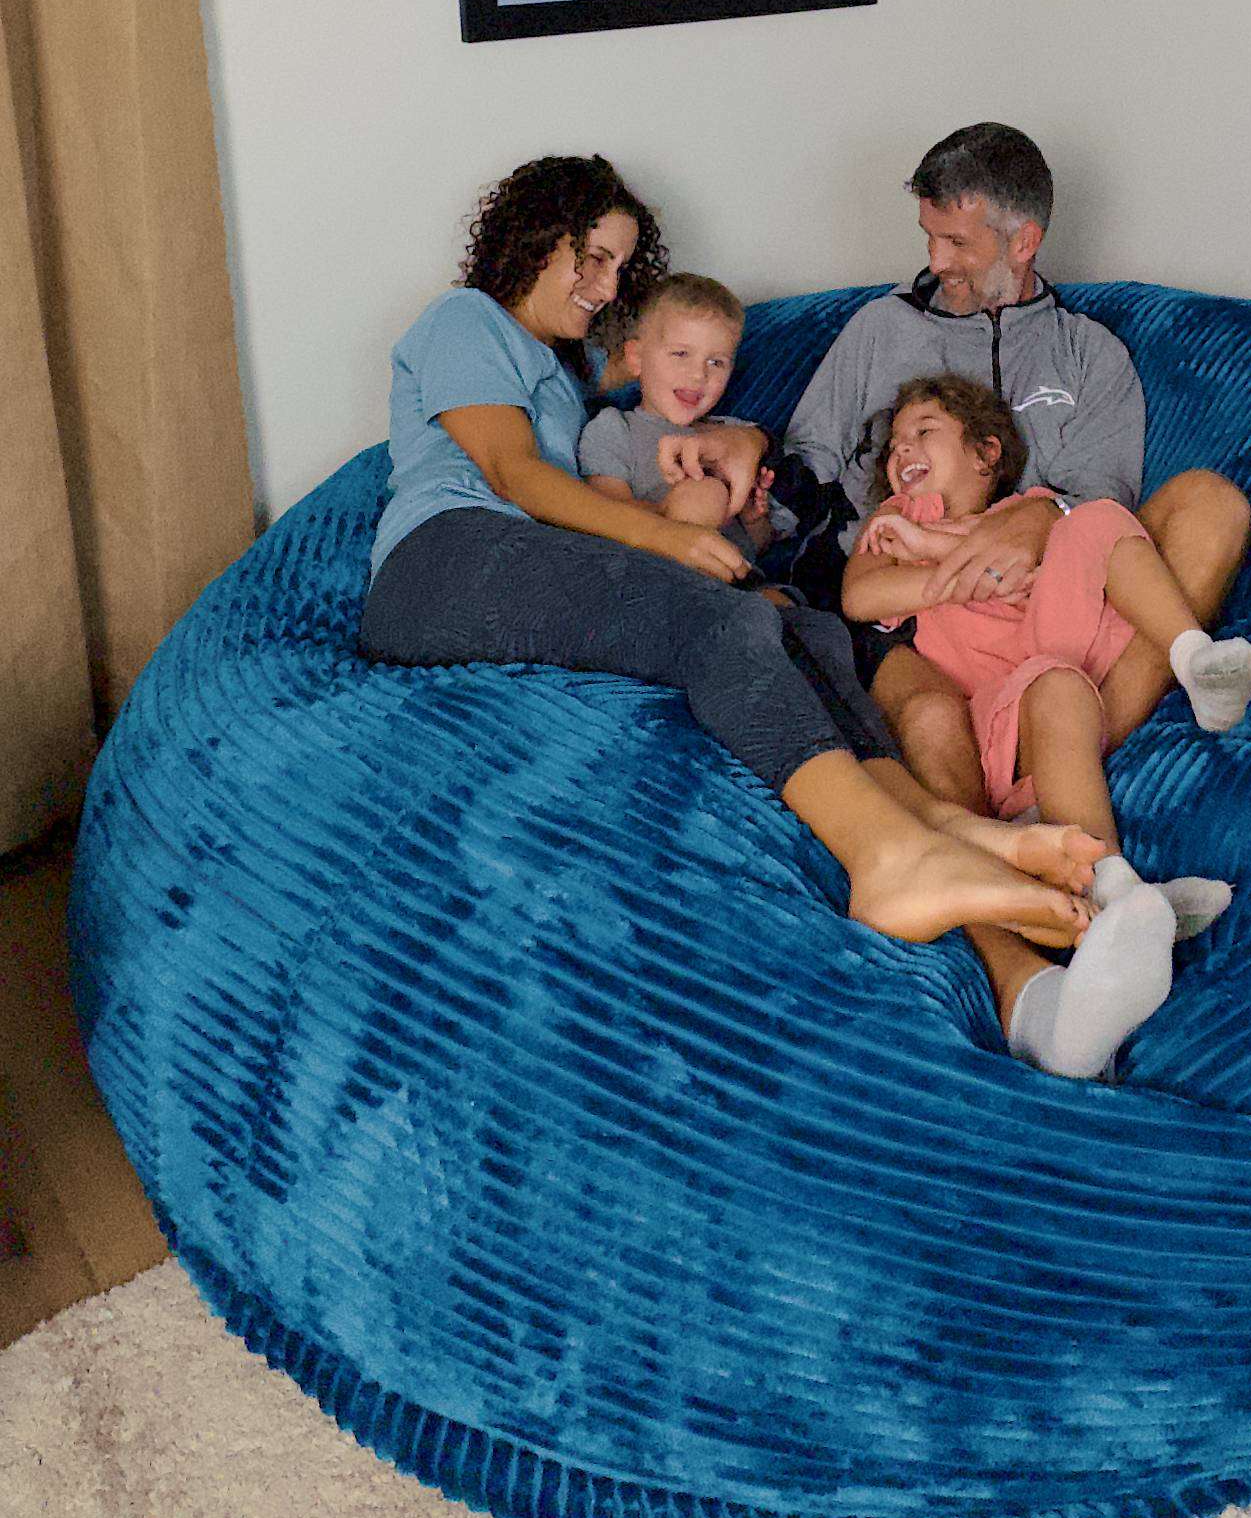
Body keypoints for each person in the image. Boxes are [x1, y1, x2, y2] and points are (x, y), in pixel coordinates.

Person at [356, 154, 1100, 953]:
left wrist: (741, 435)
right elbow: (513, 472)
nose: (607, 288)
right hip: (441, 562)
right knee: (715, 621)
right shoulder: (466, 319)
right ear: (538, 237)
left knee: (798, 629)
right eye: (593, 257)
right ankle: (885, 856)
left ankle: (945, 827)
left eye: (619, 266)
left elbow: (663, 370)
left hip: (516, 561)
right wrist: (670, 538)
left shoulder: (563, 371)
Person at [660, 123, 1251, 1055]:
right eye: (928, 236)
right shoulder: (878, 330)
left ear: (1025, 243)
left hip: (1054, 610)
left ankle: (1091, 789)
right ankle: (1036, 949)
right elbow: (806, 482)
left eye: (957, 243)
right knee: (935, 721)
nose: (933, 262)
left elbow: (1113, 508)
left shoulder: (1086, 354)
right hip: (918, 623)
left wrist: (1038, 511)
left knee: (1211, 506)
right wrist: (744, 461)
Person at [844, 376, 1251, 1076]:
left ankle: (1195, 659)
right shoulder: (896, 524)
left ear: (986, 455)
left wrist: (1008, 540)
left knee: (1093, 521)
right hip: (1012, 713)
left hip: (1070, 645)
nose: (901, 449)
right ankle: (1121, 893)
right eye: (893, 444)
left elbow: (1075, 540)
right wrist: (950, 562)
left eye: (924, 431)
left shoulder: (1034, 510)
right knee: (1054, 682)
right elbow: (861, 595)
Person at [577, 273, 775, 560]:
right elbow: (610, 514)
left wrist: (753, 519)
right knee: (704, 493)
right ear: (636, 357)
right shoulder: (613, 428)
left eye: (715, 362)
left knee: (783, 599)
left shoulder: (729, 437)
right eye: (681, 354)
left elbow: (755, 549)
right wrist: (695, 506)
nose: (698, 375)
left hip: (739, 581)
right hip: (657, 570)